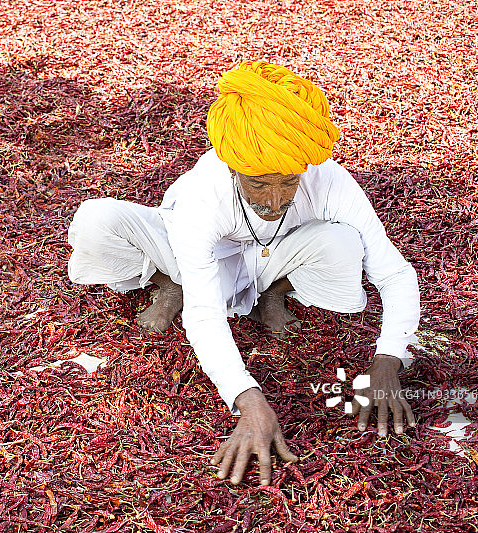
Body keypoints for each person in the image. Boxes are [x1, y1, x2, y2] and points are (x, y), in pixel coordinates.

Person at [66, 61, 420, 486]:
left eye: (288, 182)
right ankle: (170, 283)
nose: (275, 200)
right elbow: (204, 314)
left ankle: (273, 291)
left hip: (276, 257)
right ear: (232, 169)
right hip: (192, 255)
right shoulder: (204, 194)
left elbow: (394, 273)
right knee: (95, 219)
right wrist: (247, 399)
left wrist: (388, 360)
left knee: (343, 243)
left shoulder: (329, 182)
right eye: (258, 184)